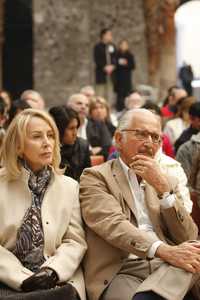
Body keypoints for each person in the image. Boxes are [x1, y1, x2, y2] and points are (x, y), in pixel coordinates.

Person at [80, 108, 199, 300]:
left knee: (195, 249)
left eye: (155, 137)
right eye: (142, 134)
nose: (149, 143)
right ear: (119, 139)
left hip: (167, 266)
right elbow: (113, 224)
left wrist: (163, 191)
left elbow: (188, 235)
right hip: (123, 268)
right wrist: (165, 251)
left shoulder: (165, 179)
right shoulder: (95, 176)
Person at [0, 109, 87, 300]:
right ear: (18, 146)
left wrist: (52, 271)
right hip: (7, 281)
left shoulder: (69, 187)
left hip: (57, 281)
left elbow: (75, 241)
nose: (47, 143)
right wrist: (20, 278)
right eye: (37, 137)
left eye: (50, 136)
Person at [49, 105, 91, 181]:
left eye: (76, 127)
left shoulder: (82, 145)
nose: (75, 133)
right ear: (58, 129)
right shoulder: (48, 149)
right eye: (71, 128)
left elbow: (88, 177)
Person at [67, 93, 112, 160]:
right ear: (68, 106)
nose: (83, 107)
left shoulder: (99, 125)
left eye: (87, 105)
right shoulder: (63, 125)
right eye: (79, 103)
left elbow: (107, 147)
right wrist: (90, 151)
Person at [93, 28, 117, 103]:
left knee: (110, 92)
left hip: (111, 73)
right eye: (109, 34)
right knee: (100, 93)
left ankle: (109, 108)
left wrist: (113, 66)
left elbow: (115, 57)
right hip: (101, 73)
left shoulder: (112, 46)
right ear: (103, 35)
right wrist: (104, 67)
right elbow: (96, 59)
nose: (110, 36)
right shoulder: (97, 47)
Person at [114, 39, 135, 112]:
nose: (123, 46)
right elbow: (115, 65)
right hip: (119, 78)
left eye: (125, 45)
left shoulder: (130, 55)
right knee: (119, 95)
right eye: (122, 44)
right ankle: (119, 110)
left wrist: (125, 64)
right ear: (120, 46)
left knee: (127, 94)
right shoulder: (116, 55)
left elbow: (132, 66)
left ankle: (128, 109)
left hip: (127, 78)